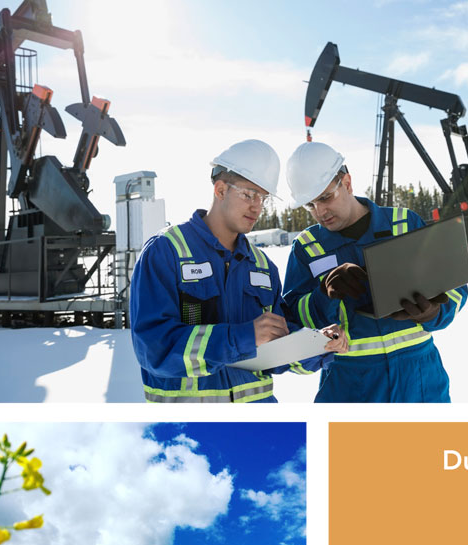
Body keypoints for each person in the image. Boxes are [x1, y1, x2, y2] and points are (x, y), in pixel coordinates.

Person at [130, 139, 346, 403]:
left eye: (263, 197)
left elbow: (276, 350)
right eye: (248, 194)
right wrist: (243, 337)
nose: (257, 206)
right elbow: (155, 349)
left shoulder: (263, 266)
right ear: (220, 190)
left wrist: (318, 344)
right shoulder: (167, 252)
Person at [282, 141, 468, 403]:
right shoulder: (307, 248)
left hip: (420, 381)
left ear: (346, 183)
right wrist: (323, 295)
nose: (320, 212)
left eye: (325, 198)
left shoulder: (403, 224)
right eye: (309, 205)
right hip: (349, 387)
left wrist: (435, 311)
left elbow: (453, 287)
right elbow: (292, 319)